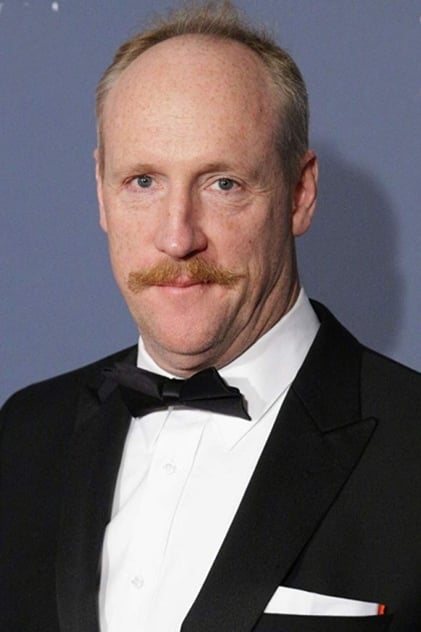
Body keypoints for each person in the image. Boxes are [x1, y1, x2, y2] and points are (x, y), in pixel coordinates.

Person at [1, 2, 420, 631]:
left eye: (222, 183)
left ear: (300, 193)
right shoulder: (24, 436)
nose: (177, 238)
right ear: (101, 192)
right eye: (143, 182)